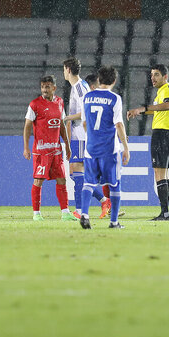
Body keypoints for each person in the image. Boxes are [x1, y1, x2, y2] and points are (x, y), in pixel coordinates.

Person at [80, 66, 130, 229]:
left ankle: (85, 215)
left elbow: (85, 122)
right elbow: (119, 125)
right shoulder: (115, 99)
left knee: (89, 182)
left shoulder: (87, 97)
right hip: (109, 149)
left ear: (99, 80)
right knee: (115, 184)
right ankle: (114, 222)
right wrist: (126, 147)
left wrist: (93, 136)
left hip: (91, 148)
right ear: (114, 81)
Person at [126, 64, 169, 221]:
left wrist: (143, 108)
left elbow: (167, 106)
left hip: (162, 134)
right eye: (151, 75)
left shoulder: (167, 90)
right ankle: (165, 212)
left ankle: (165, 213)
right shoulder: (161, 91)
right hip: (167, 134)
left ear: (165, 77)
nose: (152, 78)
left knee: (159, 173)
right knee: (164, 174)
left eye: (156, 75)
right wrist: (139, 111)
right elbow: (158, 108)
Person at [62, 58, 111, 219]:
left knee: (78, 170)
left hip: (82, 134)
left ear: (68, 70)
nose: (63, 72)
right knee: (78, 172)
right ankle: (100, 202)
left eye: (64, 69)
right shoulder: (78, 86)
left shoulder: (80, 88)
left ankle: (84, 207)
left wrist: (66, 118)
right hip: (78, 134)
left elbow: (86, 112)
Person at [23, 75, 77, 221]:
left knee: (61, 180)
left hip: (57, 150)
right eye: (42, 87)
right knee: (38, 181)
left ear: (54, 88)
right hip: (41, 151)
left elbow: (61, 125)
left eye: (47, 86)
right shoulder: (34, 104)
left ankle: (65, 212)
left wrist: (67, 145)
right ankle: (36, 214)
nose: (44, 89)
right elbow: (28, 126)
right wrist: (26, 147)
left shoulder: (59, 102)